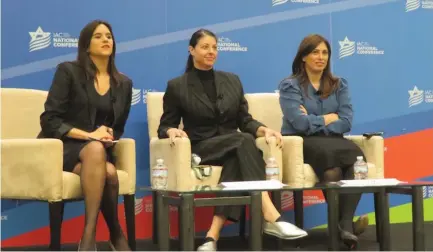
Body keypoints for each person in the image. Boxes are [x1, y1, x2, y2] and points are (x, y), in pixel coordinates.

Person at [158, 29, 308, 251]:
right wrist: (171, 131)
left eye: (214, 47)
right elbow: (165, 125)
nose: (211, 52)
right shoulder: (177, 86)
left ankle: (211, 237)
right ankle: (270, 214)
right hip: (201, 148)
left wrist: (264, 130)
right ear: (191, 50)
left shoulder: (232, 81)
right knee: (243, 141)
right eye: (205, 47)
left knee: (237, 159)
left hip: (234, 147)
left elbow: (244, 120)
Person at [38, 20, 132, 251]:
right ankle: (105, 236)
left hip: (95, 156)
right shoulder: (68, 71)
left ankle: (90, 239)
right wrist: (91, 136)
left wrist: (109, 134)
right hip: (61, 147)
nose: (105, 40)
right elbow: (50, 119)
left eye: (108, 36)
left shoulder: (124, 83)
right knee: (97, 151)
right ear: (86, 45)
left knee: (108, 171)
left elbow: (118, 126)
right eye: (98, 36)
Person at [278, 34, 369, 249]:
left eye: (325, 53)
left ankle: (343, 225)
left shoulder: (339, 84)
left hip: (334, 139)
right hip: (302, 142)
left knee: (358, 158)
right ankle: (346, 226)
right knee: (331, 166)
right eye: (315, 52)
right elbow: (298, 124)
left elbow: (346, 122)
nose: (321, 57)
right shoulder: (290, 86)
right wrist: (328, 118)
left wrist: (314, 121)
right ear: (303, 57)